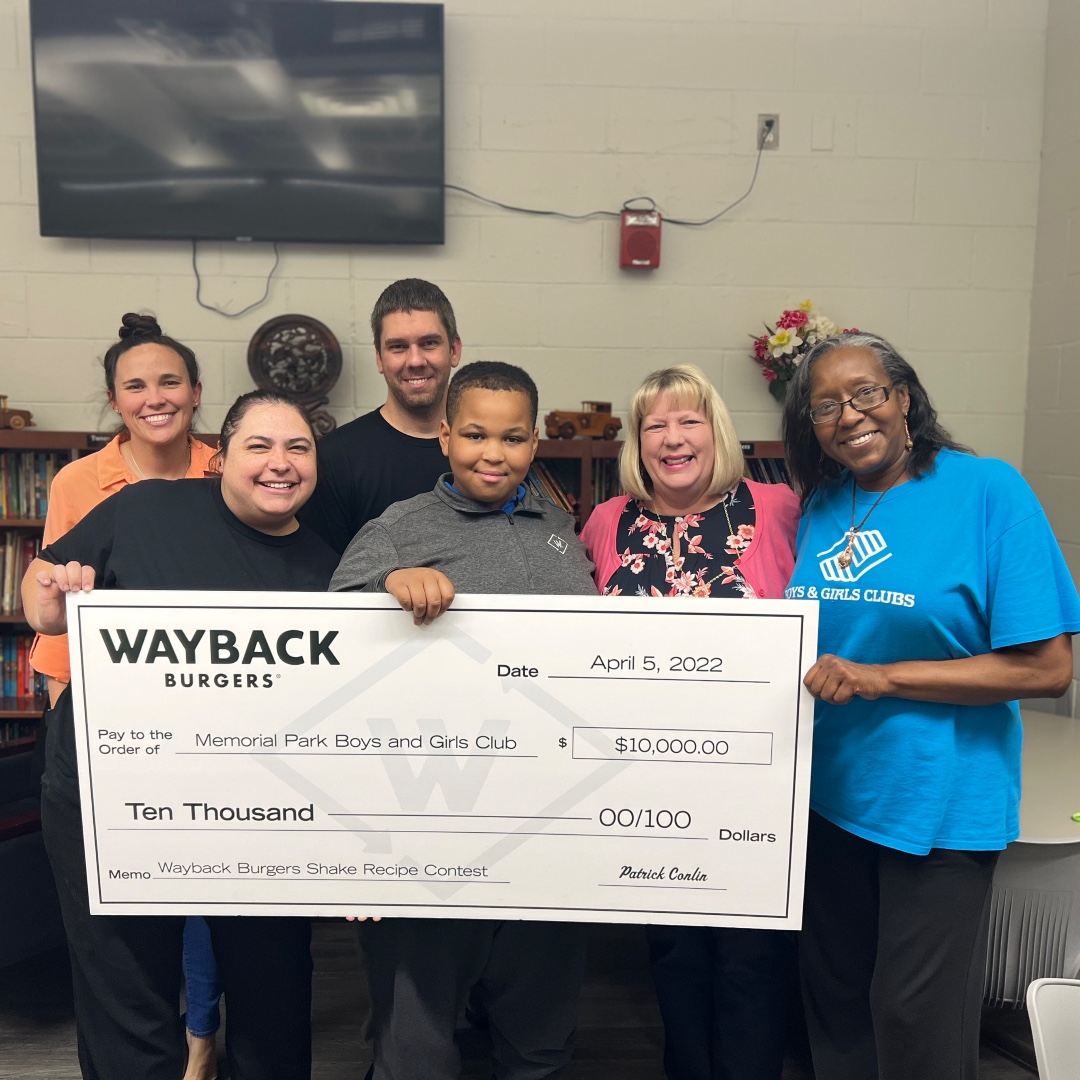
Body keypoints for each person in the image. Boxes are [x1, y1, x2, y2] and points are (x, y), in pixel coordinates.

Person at [780, 331, 1080, 1080]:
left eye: (866, 393)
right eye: (826, 406)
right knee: (836, 1006)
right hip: (827, 798)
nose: (849, 416)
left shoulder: (987, 490)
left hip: (940, 802)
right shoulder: (823, 504)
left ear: (905, 397)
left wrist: (884, 678)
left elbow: (1047, 669)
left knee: (916, 1016)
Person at [22, 390, 339, 1080]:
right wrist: (48, 604)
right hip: (107, 798)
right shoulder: (145, 509)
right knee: (124, 988)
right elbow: (43, 583)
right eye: (259, 446)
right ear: (221, 458)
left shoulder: (330, 573)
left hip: (257, 812)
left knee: (274, 988)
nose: (279, 464)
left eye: (299, 448)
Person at [331, 361, 596, 1080]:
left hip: (547, 831)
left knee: (538, 1045)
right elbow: (330, 660)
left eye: (512, 438)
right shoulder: (396, 530)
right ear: (444, 435)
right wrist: (385, 584)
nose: (493, 453)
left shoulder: (563, 531)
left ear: (535, 442)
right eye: (475, 434)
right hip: (428, 829)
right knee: (416, 1052)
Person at [580, 364, 801, 1080]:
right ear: (637, 443)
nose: (673, 439)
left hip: (756, 777)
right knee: (673, 949)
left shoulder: (779, 507)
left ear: (718, 430)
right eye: (655, 425)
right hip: (646, 779)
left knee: (750, 954)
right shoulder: (607, 520)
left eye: (689, 420)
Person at [28, 312, 222, 1080]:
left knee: (210, 903)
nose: (154, 397)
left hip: (210, 718)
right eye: (135, 386)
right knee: (117, 924)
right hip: (110, 724)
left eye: (169, 381)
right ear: (115, 400)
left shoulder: (229, 467)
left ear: (197, 392)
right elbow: (49, 605)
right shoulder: (81, 481)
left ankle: (202, 1037)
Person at [298, 277, 462, 554]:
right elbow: (325, 581)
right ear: (379, 358)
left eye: (429, 343)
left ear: (454, 350)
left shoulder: (486, 453)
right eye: (398, 346)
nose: (415, 361)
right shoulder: (335, 458)